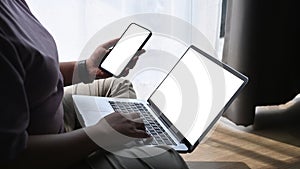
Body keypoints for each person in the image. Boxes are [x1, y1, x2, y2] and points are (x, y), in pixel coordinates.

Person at [0, 1, 188, 169]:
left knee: (117, 85)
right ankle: (115, 145)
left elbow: (29, 68)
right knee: (167, 159)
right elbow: (13, 157)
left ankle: (122, 140)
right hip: (45, 155)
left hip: (55, 114)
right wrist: (100, 133)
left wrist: (85, 68)